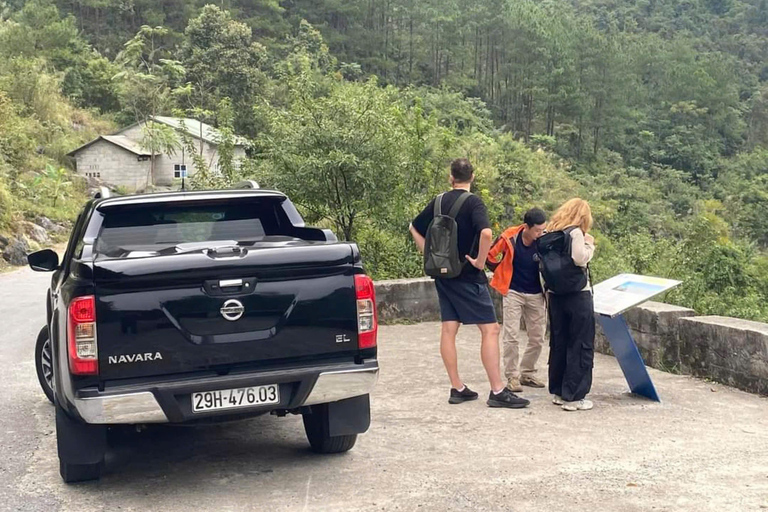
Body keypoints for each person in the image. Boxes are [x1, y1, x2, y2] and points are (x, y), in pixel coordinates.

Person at [409, 158, 529, 409]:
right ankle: (497, 390)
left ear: (450, 177)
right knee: (490, 330)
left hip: (443, 274)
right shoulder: (474, 202)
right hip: (467, 275)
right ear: (472, 177)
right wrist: (479, 261)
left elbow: (414, 227)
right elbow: (486, 233)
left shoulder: (439, 200)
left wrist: (428, 254)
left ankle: (458, 387)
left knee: (449, 329)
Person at [487, 208, 548, 393]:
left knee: (537, 336)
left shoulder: (544, 241)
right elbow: (490, 256)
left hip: (537, 293)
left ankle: (527, 372)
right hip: (513, 291)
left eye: (543, 230)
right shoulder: (509, 237)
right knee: (511, 336)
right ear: (527, 227)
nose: (540, 234)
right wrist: (501, 271)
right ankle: (512, 376)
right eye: (537, 230)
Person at [544, 198, 596, 412]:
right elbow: (579, 258)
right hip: (577, 295)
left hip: (556, 295)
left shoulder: (550, 232)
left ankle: (558, 390)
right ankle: (574, 396)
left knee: (559, 342)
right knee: (580, 343)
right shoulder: (575, 233)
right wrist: (590, 244)